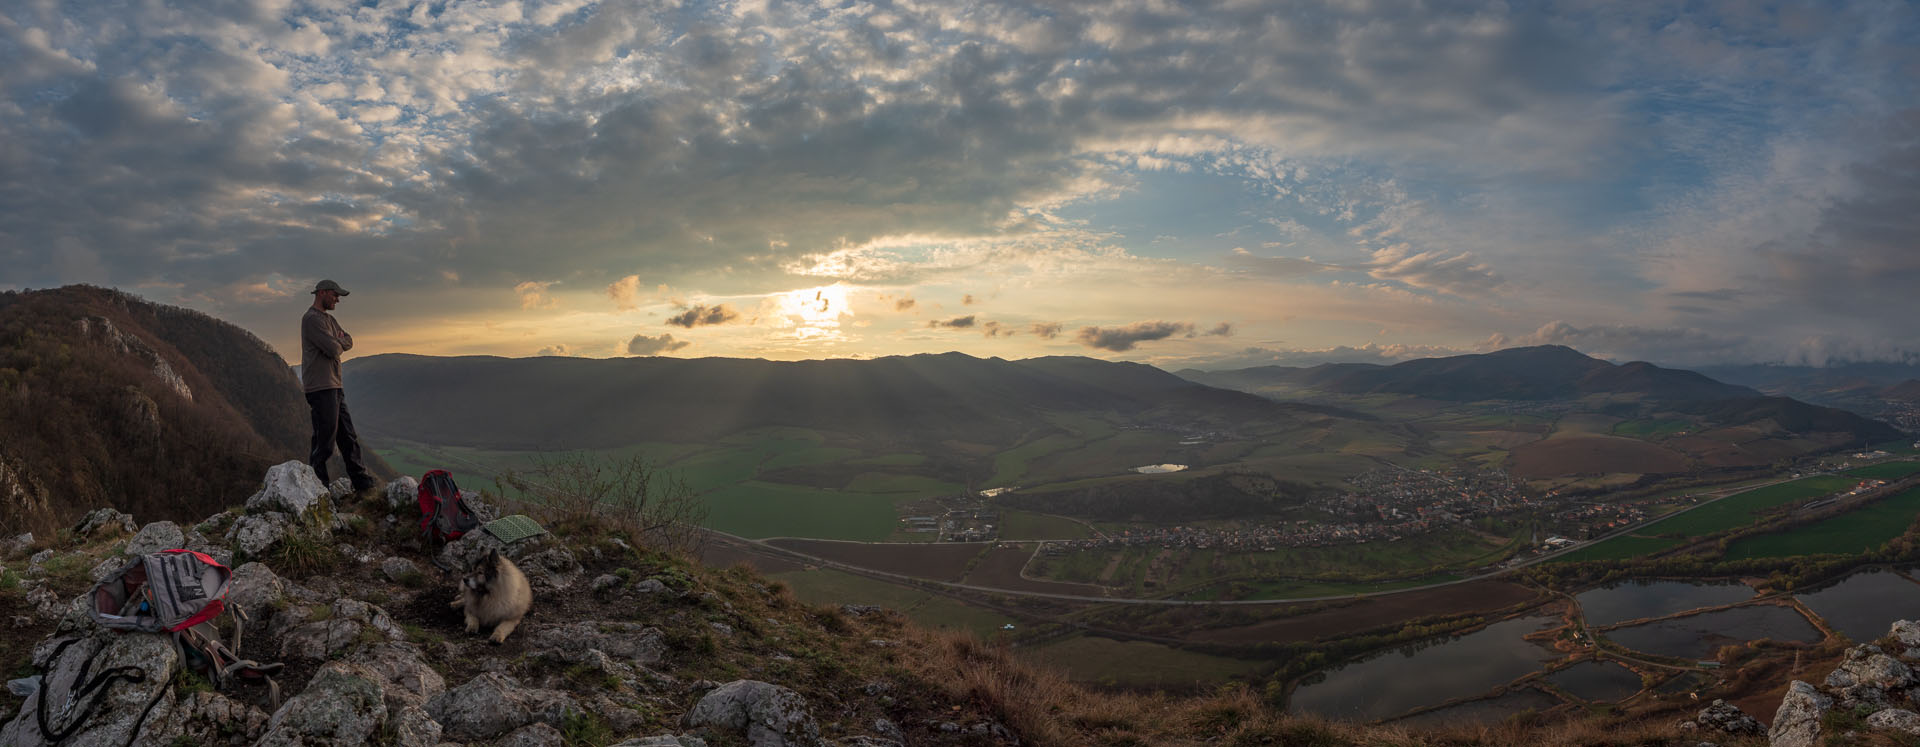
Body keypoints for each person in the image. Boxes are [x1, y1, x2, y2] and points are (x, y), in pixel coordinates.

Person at [302, 279, 377, 493]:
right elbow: (334, 349)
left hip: (334, 385)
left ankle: (363, 485)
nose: (337, 300)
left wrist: (339, 341)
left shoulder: (330, 320)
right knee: (324, 441)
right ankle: (318, 489)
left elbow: (349, 340)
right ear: (323, 293)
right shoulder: (311, 320)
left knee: (348, 437)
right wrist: (338, 342)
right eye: (335, 295)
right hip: (320, 387)